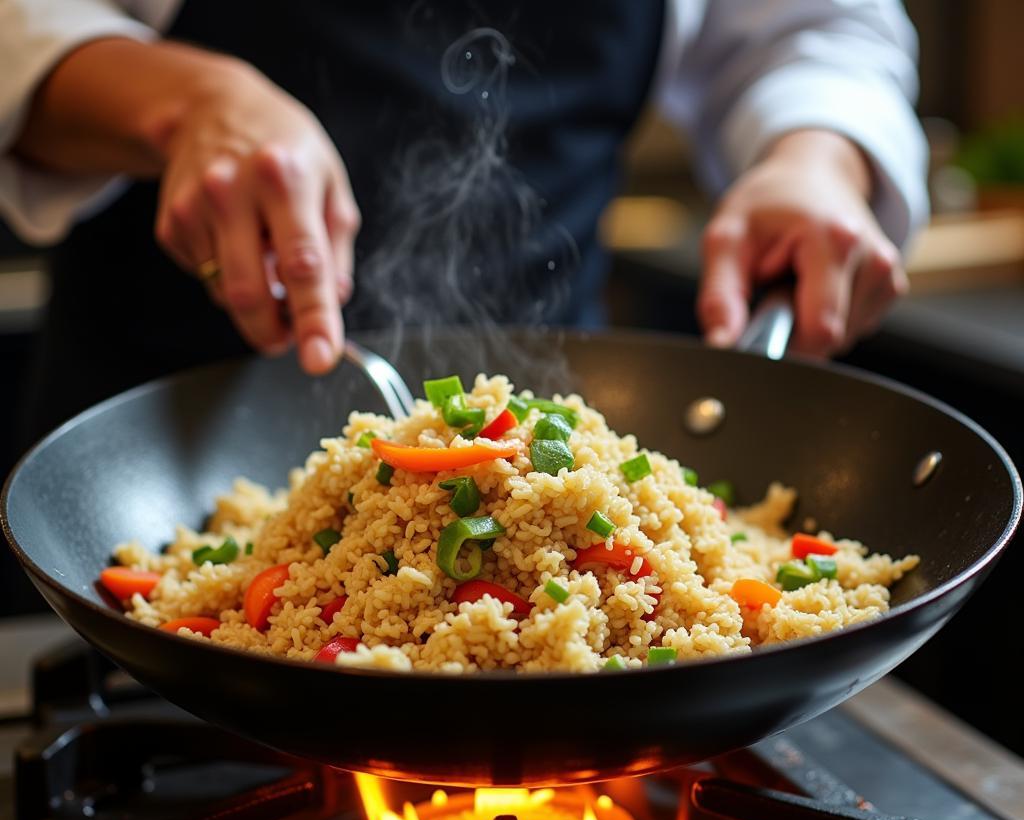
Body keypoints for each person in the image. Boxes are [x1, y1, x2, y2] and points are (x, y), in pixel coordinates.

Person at [0, 1, 926, 433]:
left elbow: (820, 28)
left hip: (569, 386)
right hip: (171, 423)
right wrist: (186, 100)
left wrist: (818, 155)